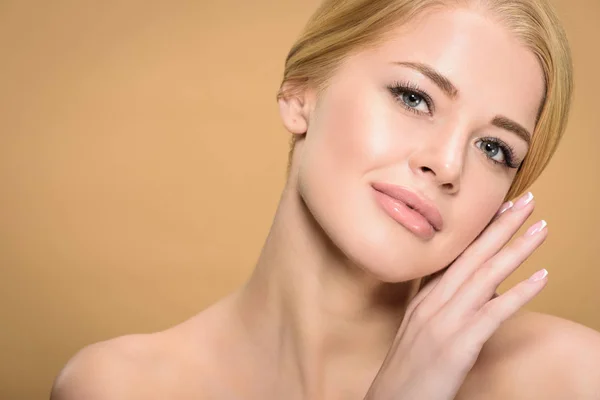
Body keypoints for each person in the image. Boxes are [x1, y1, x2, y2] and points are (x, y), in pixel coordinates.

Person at [50, 0, 600, 399]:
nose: (448, 165)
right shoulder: (120, 386)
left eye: (495, 148)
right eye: (414, 97)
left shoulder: (569, 378)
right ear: (300, 93)